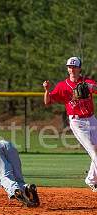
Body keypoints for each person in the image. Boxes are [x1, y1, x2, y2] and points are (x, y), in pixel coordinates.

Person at [43, 56, 97, 192]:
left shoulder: (86, 81)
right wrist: (46, 90)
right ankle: (92, 180)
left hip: (91, 119)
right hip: (77, 121)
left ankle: (91, 179)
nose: (71, 69)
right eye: (69, 67)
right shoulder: (62, 86)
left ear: (79, 68)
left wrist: (90, 86)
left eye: (74, 67)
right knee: (94, 151)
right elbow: (48, 102)